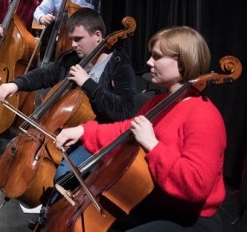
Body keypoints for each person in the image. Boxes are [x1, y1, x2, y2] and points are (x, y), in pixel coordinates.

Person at [54, 26, 226, 231]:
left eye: (157, 57)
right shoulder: (158, 102)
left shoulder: (204, 116)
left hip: (188, 216)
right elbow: (125, 130)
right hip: (152, 198)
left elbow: (195, 184)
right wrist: (83, 131)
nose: (148, 62)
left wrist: (152, 145)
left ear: (182, 63)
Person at [0, 7, 137, 212]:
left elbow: (124, 111)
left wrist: (88, 83)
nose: (73, 45)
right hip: (59, 129)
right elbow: (46, 75)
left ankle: (51, 216)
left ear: (98, 36)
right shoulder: (73, 58)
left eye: (78, 39)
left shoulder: (119, 66)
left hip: (93, 137)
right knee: (13, 147)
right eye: (71, 39)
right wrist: (15, 84)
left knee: (64, 174)